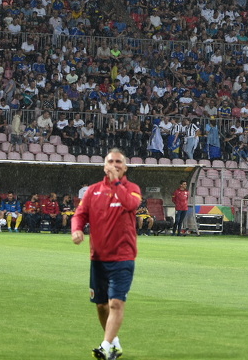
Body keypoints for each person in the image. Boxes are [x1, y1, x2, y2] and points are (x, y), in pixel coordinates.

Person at [72, 149, 142, 360]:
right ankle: (114, 343)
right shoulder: (92, 191)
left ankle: (104, 346)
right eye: (110, 161)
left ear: (125, 167)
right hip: (98, 258)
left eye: (118, 162)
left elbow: (131, 205)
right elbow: (80, 214)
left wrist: (117, 184)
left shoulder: (132, 189)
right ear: (104, 166)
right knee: (102, 305)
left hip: (123, 257)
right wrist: (76, 229)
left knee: (115, 303)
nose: (114, 164)